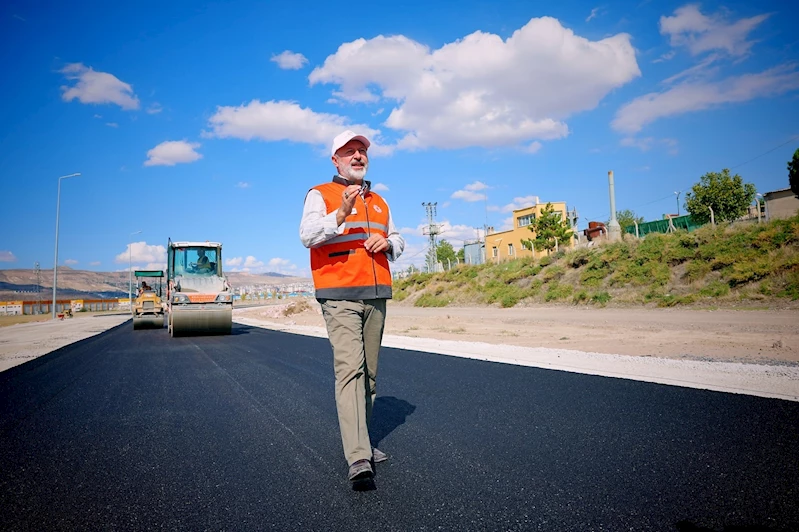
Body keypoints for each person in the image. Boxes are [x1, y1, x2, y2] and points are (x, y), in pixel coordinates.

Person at [299, 130, 405, 485]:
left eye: (362, 151)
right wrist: (340, 214)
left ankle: (361, 439)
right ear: (336, 160)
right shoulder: (321, 194)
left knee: (370, 375)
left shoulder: (380, 201)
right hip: (339, 294)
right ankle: (358, 456)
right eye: (349, 151)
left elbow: (400, 239)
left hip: (376, 295)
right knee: (350, 370)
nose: (358, 156)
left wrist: (388, 241)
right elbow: (307, 236)